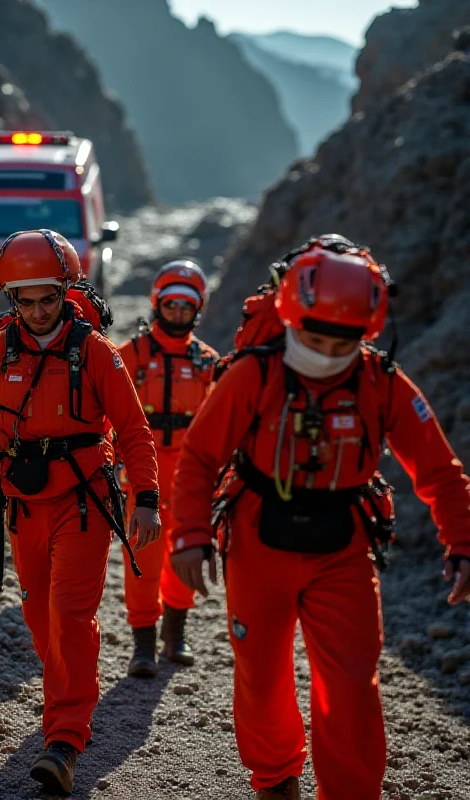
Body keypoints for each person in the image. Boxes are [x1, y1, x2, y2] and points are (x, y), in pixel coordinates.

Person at [168, 237, 470, 800]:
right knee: (261, 679)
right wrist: (188, 536)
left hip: (345, 547)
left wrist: (463, 542)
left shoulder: (381, 383)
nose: (328, 352)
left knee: (352, 687)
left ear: (368, 330)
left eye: (343, 341)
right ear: (288, 316)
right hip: (258, 540)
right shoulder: (252, 376)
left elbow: (440, 471)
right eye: (314, 337)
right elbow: (201, 457)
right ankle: (275, 780)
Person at [0, 229, 161, 795]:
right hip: (22, 506)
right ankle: (72, 698)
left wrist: (145, 498)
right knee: (39, 616)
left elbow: (133, 431)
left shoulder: (95, 352)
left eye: (48, 298)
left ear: (66, 290)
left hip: (83, 504)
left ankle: (65, 737)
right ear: (12, 300)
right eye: (25, 301)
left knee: (70, 613)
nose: (38, 310)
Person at [118, 261, 219, 677]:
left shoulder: (209, 362)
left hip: (191, 479)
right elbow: (105, 414)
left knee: (185, 555)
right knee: (142, 559)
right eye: (171, 304)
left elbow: (222, 424)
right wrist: (106, 469)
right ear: (157, 303)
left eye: (187, 307)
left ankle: (175, 634)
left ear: (199, 311)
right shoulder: (131, 355)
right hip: (144, 476)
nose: (178, 313)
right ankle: (143, 642)